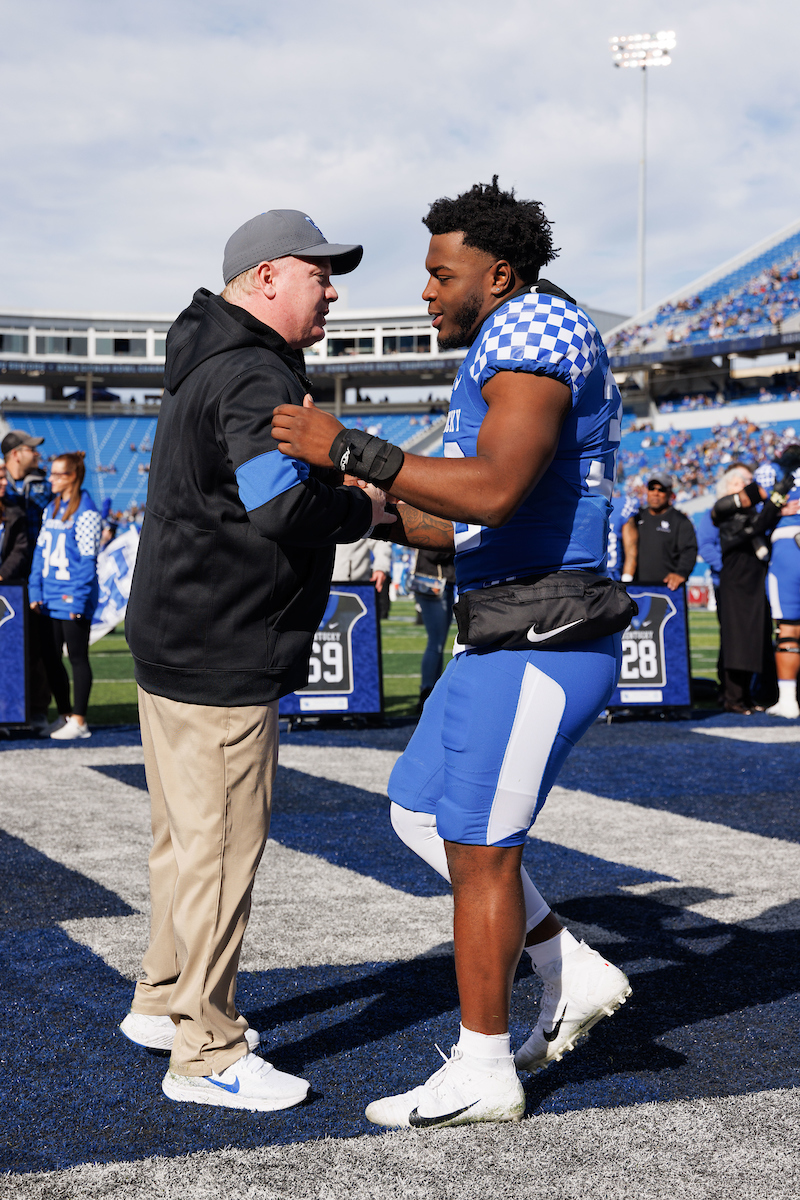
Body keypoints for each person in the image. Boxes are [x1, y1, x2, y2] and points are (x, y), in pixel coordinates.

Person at [272, 178, 632, 1129]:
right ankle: (566, 966)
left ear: (499, 274)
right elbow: (455, 519)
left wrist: (350, 447)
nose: (428, 291)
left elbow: (499, 488)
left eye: (441, 273)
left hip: (542, 635)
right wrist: (366, 509)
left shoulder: (530, 332)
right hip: (506, 628)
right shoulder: (510, 340)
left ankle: (485, 1070)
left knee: (479, 850)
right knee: (420, 812)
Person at [123, 209, 393, 1113]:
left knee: (185, 845)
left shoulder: (209, 353)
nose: (333, 288)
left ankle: (165, 1003)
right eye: (319, 273)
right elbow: (278, 507)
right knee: (222, 852)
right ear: (268, 276)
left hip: (176, 635)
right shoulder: (251, 368)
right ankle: (205, 1050)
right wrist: (367, 510)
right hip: (223, 643)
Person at [28, 452, 101, 739]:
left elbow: (87, 563)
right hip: (48, 597)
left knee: (78, 657)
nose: (51, 479)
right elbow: (39, 553)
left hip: (72, 597)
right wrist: (36, 590)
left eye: (58, 474)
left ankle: (80, 721)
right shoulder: (51, 508)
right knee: (50, 658)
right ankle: (64, 715)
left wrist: (79, 599)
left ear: (73, 477)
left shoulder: (87, 513)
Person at [710, 464, 787, 714]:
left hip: (753, 582)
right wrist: (775, 499)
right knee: (737, 641)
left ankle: (747, 695)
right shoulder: (726, 513)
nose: (743, 488)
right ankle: (733, 697)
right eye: (737, 484)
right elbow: (756, 525)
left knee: (753, 640)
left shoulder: (747, 512)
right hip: (736, 583)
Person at [2, 429, 53, 733]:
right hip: (8, 580)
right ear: (15, 453)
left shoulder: (44, 484)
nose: (37, 453)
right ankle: (7, 709)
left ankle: (36, 710)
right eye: (31, 449)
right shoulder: (3, 487)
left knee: (39, 648)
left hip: (34, 579)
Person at [756, 449, 800, 718]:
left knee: (788, 630)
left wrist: (778, 507)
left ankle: (788, 700)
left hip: (786, 546)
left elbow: (758, 515)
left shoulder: (769, 470)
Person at [624, 473, 697, 589]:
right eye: (651, 488)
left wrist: (681, 573)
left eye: (661, 489)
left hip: (667, 588)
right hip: (636, 587)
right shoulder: (636, 518)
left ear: (669, 493)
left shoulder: (681, 521)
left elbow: (689, 551)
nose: (655, 493)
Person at [409, 547, 456, 710]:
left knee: (438, 642)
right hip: (433, 584)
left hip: (440, 583)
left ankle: (432, 689)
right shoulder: (432, 526)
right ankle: (427, 690)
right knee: (435, 642)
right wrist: (455, 544)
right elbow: (432, 552)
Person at [0, 462, 29, 583]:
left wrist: (3, 574)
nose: (5, 482)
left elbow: (19, 550)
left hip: (6, 587)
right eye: (0, 478)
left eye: (5, 477)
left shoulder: (14, 513)